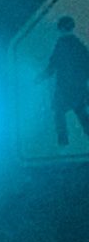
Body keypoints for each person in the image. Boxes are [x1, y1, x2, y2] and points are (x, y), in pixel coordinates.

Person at [45, 14, 89, 149]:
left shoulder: (62, 44)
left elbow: (53, 64)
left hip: (65, 88)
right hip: (78, 88)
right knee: (80, 112)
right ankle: (64, 142)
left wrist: (39, 78)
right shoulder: (79, 44)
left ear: (62, 28)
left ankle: (63, 143)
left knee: (59, 113)